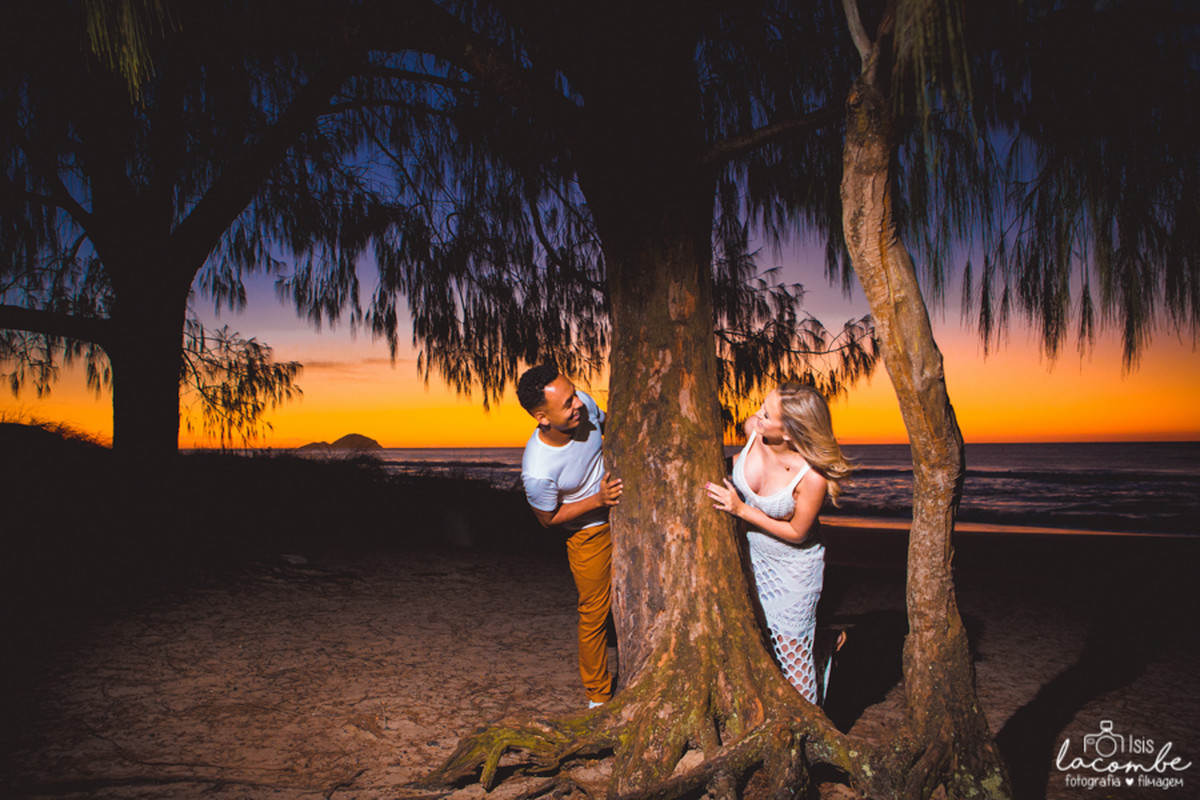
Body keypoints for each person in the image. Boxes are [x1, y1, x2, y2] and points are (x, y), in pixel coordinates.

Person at [704, 383, 852, 704]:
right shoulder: (754, 431)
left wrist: (741, 509)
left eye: (767, 414)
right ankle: (823, 641)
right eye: (761, 406)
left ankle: (808, 728)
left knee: (790, 656)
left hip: (792, 568)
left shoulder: (811, 477)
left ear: (789, 433)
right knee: (756, 636)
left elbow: (798, 532)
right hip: (750, 554)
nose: (757, 416)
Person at [517, 364, 623, 708]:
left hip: (629, 513)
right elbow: (548, 519)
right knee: (594, 612)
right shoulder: (538, 470)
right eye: (566, 403)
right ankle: (598, 698)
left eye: (574, 393)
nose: (578, 403)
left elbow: (616, 428)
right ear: (542, 417)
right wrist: (597, 500)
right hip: (588, 535)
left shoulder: (586, 407)